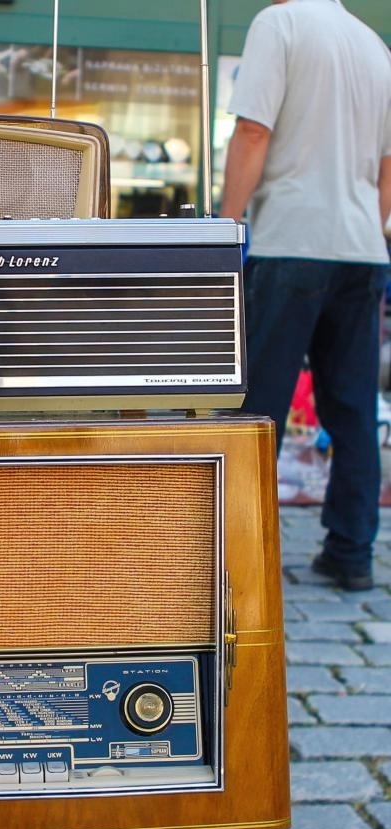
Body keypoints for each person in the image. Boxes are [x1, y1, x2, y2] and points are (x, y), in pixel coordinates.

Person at [220, 0, 391, 591]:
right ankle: (350, 555)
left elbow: (252, 130)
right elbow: (390, 166)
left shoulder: (279, 25)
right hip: (361, 248)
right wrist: (364, 226)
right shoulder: (375, 46)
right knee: (352, 413)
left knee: (258, 410)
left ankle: (237, 560)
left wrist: (226, 226)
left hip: (290, 238)